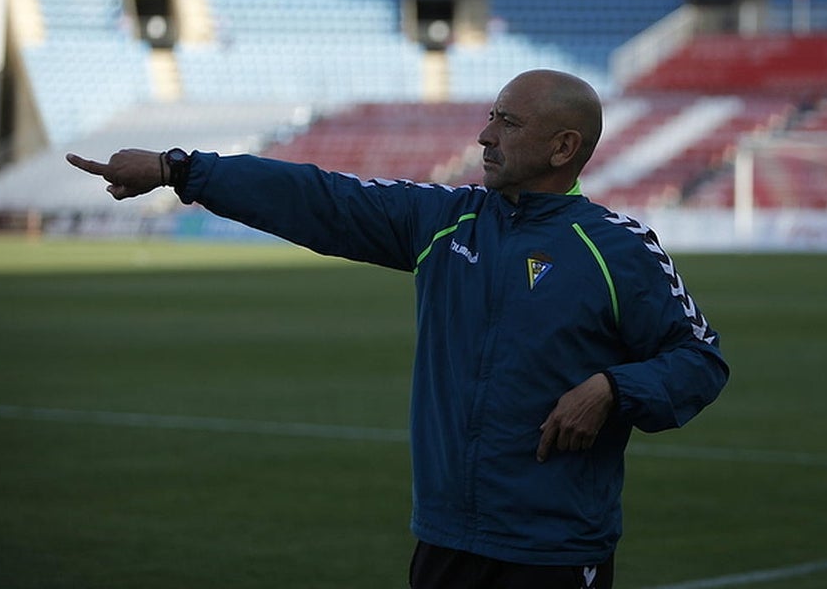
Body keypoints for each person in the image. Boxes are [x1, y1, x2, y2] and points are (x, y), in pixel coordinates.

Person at [67, 68, 729, 589]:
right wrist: (181, 170)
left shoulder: (618, 248)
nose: (485, 136)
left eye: (508, 122)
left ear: (564, 147)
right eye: (490, 116)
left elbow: (700, 359)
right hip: (445, 539)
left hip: (553, 549)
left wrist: (612, 388)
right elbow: (322, 199)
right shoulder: (444, 218)